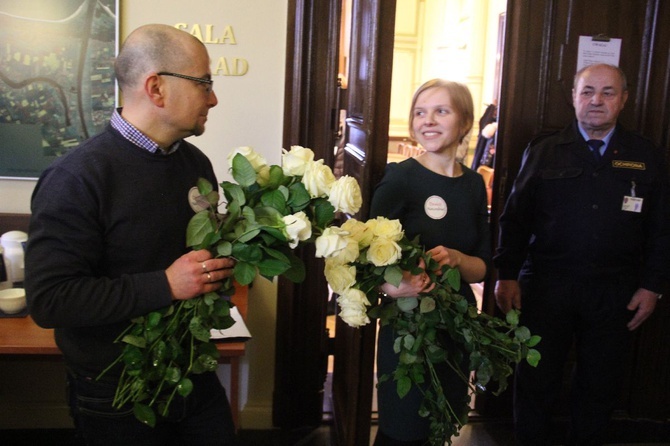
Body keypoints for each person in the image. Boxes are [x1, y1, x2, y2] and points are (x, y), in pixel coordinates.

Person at [25, 24, 239, 445]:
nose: (213, 98)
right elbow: (50, 301)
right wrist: (165, 285)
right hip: (116, 393)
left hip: (191, 372)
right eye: (204, 83)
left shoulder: (195, 163)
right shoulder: (77, 178)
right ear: (156, 89)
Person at [493, 63, 670, 445]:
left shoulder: (647, 156)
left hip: (615, 292)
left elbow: (662, 228)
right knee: (535, 383)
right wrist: (506, 273)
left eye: (608, 92)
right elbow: (516, 217)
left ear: (623, 100)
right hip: (546, 288)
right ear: (573, 97)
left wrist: (652, 286)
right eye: (588, 91)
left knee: (599, 387)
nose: (596, 100)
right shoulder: (544, 152)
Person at [370, 79, 491, 445]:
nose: (429, 121)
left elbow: (482, 266)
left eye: (442, 111)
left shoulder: (472, 185)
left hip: (457, 327)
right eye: (420, 112)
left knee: (442, 424)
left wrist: (456, 258)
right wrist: (393, 286)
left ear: (465, 122)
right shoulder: (400, 179)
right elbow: (363, 261)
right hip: (408, 326)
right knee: (403, 429)